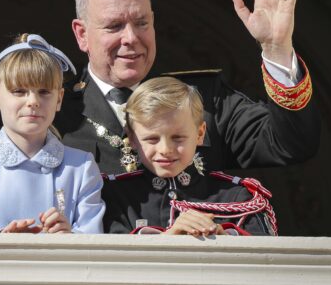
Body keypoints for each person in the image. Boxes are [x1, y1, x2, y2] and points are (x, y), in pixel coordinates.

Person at [56, 0, 320, 176]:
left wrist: (277, 50)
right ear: (82, 34)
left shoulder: (204, 98)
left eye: (142, 23)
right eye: (114, 26)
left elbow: (291, 144)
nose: (131, 38)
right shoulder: (55, 111)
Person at [0, 34, 105, 233]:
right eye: (19, 91)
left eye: (44, 91)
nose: (33, 101)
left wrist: (69, 237)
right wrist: (4, 243)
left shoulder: (82, 167)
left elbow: (93, 249)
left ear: (60, 99)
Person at [103, 77, 277, 236]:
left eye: (178, 137)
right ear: (131, 138)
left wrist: (223, 239)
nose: (165, 149)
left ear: (200, 133)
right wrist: (168, 239)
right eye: (152, 139)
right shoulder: (113, 196)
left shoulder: (237, 197)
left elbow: (266, 261)